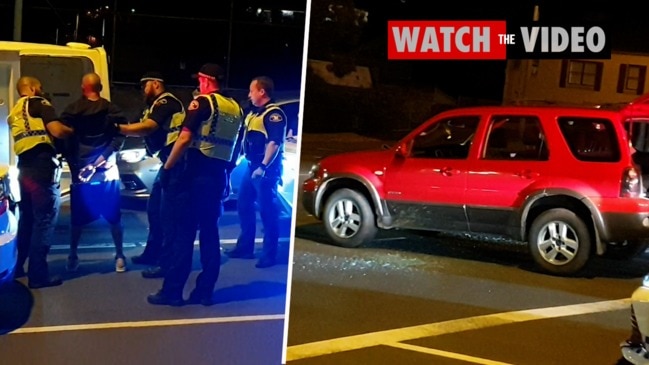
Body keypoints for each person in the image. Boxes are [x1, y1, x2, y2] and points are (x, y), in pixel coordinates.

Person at [147, 63, 244, 306]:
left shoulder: (201, 102)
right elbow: (235, 150)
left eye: (200, 79)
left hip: (193, 175)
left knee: (183, 233)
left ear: (206, 80)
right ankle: (204, 292)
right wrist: (228, 177)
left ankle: (173, 291)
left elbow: (185, 137)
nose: (198, 84)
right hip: (217, 175)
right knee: (210, 233)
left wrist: (168, 167)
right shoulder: (236, 108)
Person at [9, 76, 74, 288]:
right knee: (44, 221)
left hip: (24, 169)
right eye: (41, 86)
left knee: (27, 221)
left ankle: (18, 267)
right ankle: (38, 276)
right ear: (32, 87)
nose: (42, 90)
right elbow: (56, 131)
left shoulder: (15, 111)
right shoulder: (39, 103)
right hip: (42, 168)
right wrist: (71, 131)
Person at [60, 72, 128, 273]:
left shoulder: (72, 110)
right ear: (99, 88)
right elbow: (118, 138)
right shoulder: (111, 109)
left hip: (81, 174)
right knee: (114, 217)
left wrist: (76, 165)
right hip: (107, 172)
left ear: (83, 88)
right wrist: (100, 161)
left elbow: (63, 137)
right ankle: (120, 256)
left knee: (78, 219)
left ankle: (72, 256)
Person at [120, 72, 186, 279]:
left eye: (144, 85)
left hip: (175, 164)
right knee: (155, 211)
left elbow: (148, 127)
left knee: (168, 217)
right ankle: (153, 253)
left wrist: (118, 129)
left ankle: (166, 263)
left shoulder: (166, 101)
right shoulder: (154, 104)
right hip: (167, 162)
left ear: (156, 83)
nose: (142, 90)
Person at [225, 76, 287, 269]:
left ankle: (269, 254)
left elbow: (274, 142)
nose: (249, 94)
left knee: (268, 212)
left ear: (262, 92)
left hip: (265, 171)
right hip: (252, 167)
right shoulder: (255, 113)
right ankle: (245, 247)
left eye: (252, 90)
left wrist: (263, 166)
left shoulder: (274, 114)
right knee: (244, 206)